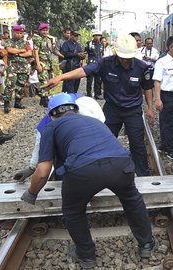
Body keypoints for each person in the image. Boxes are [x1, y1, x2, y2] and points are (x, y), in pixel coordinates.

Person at [20, 93, 155, 268]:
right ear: (76, 111)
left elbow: (44, 171)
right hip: (121, 165)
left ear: (51, 116)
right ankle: (146, 244)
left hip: (83, 172)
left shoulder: (51, 128)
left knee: (73, 210)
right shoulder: (95, 121)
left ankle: (86, 255)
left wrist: (31, 193)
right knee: (132, 200)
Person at [42, 34, 154, 177]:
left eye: (129, 58)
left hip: (133, 111)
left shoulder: (142, 67)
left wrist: (150, 108)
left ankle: (143, 175)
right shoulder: (105, 63)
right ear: (117, 53)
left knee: (137, 145)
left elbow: (148, 88)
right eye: (123, 57)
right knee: (103, 140)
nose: (126, 60)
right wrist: (61, 77)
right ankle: (103, 173)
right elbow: (83, 71)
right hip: (112, 109)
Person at [153, 36, 173, 160]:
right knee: (168, 124)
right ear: (171, 47)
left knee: (169, 123)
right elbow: (157, 82)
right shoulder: (162, 62)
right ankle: (172, 151)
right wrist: (158, 99)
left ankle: (164, 146)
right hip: (166, 96)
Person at [4, 25, 33, 113]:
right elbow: (10, 50)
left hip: (23, 67)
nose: (19, 34)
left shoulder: (26, 43)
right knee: (10, 84)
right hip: (12, 66)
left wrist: (18, 54)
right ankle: (7, 103)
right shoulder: (9, 41)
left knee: (21, 85)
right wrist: (22, 50)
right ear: (13, 32)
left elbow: (30, 53)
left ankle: (18, 102)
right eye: (17, 33)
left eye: (21, 33)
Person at [33, 23, 55, 106]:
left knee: (50, 80)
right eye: (43, 30)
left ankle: (43, 98)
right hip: (42, 62)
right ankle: (44, 98)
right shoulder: (38, 39)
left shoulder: (49, 40)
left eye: (46, 30)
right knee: (43, 81)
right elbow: (35, 52)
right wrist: (38, 64)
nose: (45, 32)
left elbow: (50, 52)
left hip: (48, 63)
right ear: (40, 31)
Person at [85, 31, 104, 99]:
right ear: (93, 36)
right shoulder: (89, 43)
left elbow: (102, 54)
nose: (98, 37)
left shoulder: (101, 44)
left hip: (98, 64)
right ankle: (89, 94)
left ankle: (97, 94)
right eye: (96, 35)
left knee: (98, 80)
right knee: (90, 80)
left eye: (99, 35)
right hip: (91, 63)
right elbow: (85, 52)